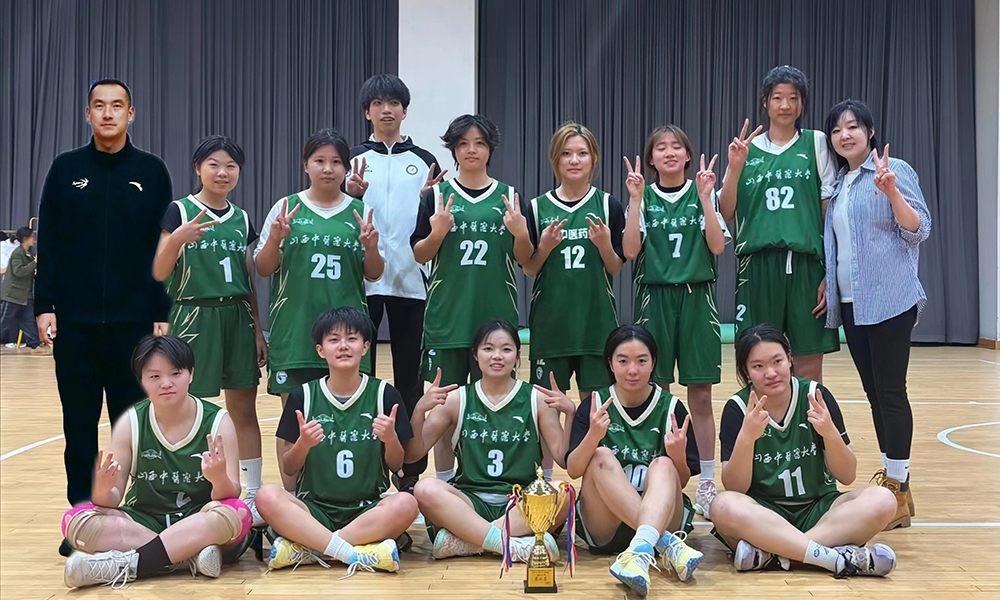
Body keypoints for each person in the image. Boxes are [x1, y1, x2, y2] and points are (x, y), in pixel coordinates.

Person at [35, 79, 174, 551]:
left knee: (127, 425)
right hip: (74, 322)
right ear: (88, 113)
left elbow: (163, 248)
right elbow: (50, 241)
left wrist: (160, 309)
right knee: (78, 427)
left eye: (117, 106)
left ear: (131, 114)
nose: (108, 113)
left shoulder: (151, 171)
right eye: (100, 105)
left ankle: (125, 517)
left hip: (133, 324)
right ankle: (80, 520)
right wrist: (44, 305)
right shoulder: (66, 168)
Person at [60, 335, 250, 589]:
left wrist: (219, 479)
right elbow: (110, 501)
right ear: (141, 380)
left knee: (236, 512)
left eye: (176, 373)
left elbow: (230, 494)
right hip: (144, 520)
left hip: (197, 518)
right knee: (76, 520)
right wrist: (103, 489)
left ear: (191, 374)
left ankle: (125, 564)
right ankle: (188, 555)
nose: (166, 383)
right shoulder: (130, 423)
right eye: (155, 376)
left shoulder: (217, 421)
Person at [709, 324, 898, 578]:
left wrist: (829, 432)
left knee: (884, 499)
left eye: (777, 361)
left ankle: (777, 555)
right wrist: (746, 438)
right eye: (758, 366)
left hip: (820, 511)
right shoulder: (738, 408)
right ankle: (835, 557)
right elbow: (735, 488)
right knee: (721, 505)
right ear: (746, 371)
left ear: (790, 359)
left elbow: (847, 475)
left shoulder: (815, 395)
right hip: (765, 515)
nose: (771, 373)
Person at [822, 99, 931, 529]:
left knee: (890, 391)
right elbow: (840, 246)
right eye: (836, 130)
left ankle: (898, 488)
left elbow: (918, 229)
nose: (844, 135)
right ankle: (893, 484)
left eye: (853, 127)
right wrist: (829, 284)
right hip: (852, 303)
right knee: (873, 393)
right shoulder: (839, 184)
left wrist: (892, 193)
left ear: (869, 132)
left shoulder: (893, 170)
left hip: (890, 299)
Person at [152, 135, 268, 525]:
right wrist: (177, 240)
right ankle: (192, 492)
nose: (222, 172)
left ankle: (252, 493)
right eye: (214, 164)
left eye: (231, 166)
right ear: (197, 168)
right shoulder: (179, 211)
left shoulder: (242, 219)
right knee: (192, 409)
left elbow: (249, 280)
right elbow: (159, 271)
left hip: (237, 316)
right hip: (193, 315)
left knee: (244, 409)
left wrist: (258, 332)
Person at [255, 307, 417, 576]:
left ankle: (311, 548)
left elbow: (397, 465)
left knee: (407, 503)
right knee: (266, 496)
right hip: (314, 509)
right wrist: (303, 444)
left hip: (367, 509)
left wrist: (390, 439)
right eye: (334, 340)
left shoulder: (385, 394)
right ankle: (356, 552)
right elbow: (289, 467)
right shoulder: (303, 396)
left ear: (366, 347)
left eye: (352, 339)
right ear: (320, 350)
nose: (343, 346)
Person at [410, 114, 528, 482]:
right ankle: (446, 486)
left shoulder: (510, 197)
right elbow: (419, 254)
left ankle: (489, 482)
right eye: (463, 144)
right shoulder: (436, 197)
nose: (471, 150)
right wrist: (437, 233)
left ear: (490, 149)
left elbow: (526, 260)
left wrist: (521, 232)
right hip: (448, 319)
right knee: (445, 408)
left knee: (494, 408)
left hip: (495, 321)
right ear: (454, 150)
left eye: (479, 143)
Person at [622, 126, 729, 519]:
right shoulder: (643, 196)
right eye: (661, 148)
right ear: (651, 159)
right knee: (659, 392)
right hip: (656, 296)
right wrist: (635, 201)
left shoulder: (703, 193)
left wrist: (706, 200)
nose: (669, 152)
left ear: (687, 155)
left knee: (700, 394)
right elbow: (629, 251)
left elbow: (717, 246)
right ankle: (661, 475)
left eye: (676, 147)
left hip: (697, 296)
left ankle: (706, 481)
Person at [346, 74, 444, 491]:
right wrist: (352, 194)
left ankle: (410, 472)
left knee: (409, 379)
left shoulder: (425, 161)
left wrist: (428, 199)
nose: (386, 110)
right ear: (367, 112)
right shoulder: (350, 159)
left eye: (394, 103)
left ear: (405, 111)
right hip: (361, 282)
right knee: (357, 375)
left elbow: (436, 220)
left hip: (412, 282)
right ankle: (364, 466)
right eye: (378, 103)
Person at [408, 319, 572, 561]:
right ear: (475, 354)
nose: (497, 356)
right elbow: (414, 453)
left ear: (517, 355)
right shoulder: (457, 399)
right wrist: (420, 409)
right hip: (469, 504)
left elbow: (562, 458)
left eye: (506, 349)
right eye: (488, 348)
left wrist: (570, 413)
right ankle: (510, 544)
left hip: (520, 503)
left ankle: (468, 542)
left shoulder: (537, 399)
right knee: (425, 489)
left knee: (563, 491)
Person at [718, 66, 839, 382]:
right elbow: (726, 212)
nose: (785, 105)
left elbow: (828, 214)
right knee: (758, 362)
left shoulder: (817, 143)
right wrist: (734, 168)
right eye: (777, 98)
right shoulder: (746, 150)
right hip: (758, 267)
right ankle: (759, 417)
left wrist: (831, 272)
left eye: (793, 98)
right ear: (765, 102)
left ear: (802, 103)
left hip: (806, 266)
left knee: (808, 366)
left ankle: (808, 417)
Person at [566, 325, 703, 596]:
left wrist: (677, 457)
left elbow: (681, 481)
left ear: (653, 363)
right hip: (605, 525)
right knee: (601, 456)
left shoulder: (671, 407)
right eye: (623, 361)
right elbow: (573, 470)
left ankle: (639, 550)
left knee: (664, 464)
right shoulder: (594, 405)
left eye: (641, 361)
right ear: (610, 363)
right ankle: (664, 543)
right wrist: (593, 436)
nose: (632, 370)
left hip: (663, 515)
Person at [519, 122, 624, 401]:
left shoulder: (608, 205)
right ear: (555, 158)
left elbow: (615, 267)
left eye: (582, 153)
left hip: (595, 324)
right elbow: (529, 269)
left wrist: (603, 245)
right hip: (551, 325)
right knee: (548, 407)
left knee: (594, 408)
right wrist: (544, 247)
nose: (574, 160)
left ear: (594, 158)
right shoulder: (537, 207)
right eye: (566, 153)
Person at [0, 226, 46, 353]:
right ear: (25, 239)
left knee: (29, 321)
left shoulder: (27, 254)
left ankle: (35, 345)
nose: (34, 239)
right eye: (32, 237)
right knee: (4, 322)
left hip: (25, 295)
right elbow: (19, 272)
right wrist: (34, 263)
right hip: (13, 294)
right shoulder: (18, 253)